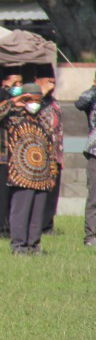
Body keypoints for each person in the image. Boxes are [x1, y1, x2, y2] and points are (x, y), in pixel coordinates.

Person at [0, 83, 57, 255]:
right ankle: (19, 245)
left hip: (42, 175)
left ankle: (34, 245)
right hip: (21, 173)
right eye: (30, 99)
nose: (35, 103)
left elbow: (50, 148)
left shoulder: (43, 120)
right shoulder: (14, 117)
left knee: (36, 215)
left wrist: (52, 172)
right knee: (21, 212)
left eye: (38, 100)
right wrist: (13, 101)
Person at [0, 69, 23, 238]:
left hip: (15, 156)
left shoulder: (20, 103)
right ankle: (1, 229)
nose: (19, 87)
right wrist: (5, 92)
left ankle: (14, 227)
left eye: (21, 83)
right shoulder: (0, 99)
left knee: (12, 195)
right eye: (16, 83)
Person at [36, 71, 64, 235]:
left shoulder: (54, 103)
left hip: (55, 154)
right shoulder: (35, 101)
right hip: (41, 154)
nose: (52, 86)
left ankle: (48, 224)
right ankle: (38, 225)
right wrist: (41, 93)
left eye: (54, 82)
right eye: (49, 81)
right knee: (42, 192)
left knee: (53, 193)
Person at [75, 76, 96, 247]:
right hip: (95, 152)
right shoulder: (92, 97)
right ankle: (91, 235)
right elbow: (80, 103)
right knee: (94, 196)